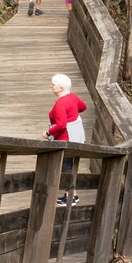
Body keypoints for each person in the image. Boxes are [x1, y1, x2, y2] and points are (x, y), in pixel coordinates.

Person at [44, 73, 87, 207]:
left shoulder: (60, 104)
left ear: (61, 88)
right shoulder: (72, 97)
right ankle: (72, 195)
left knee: (66, 166)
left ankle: (71, 198)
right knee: (69, 165)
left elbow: (61, 125)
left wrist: (48, 132)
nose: (51, 86)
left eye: (53, 85)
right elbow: (83, 107)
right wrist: (72, 114)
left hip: (66, 139)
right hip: (77, 136)